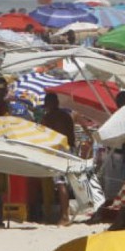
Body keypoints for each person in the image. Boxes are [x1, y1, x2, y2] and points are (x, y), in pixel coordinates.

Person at [41, 92, 77, 226]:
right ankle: (65, 213)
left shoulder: (48, 117)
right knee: (68, 183)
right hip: (69, 150)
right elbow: (72, 138)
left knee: (60, 183)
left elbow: (44, 137)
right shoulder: (66, 116)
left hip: (58, 151)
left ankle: (64, 216)